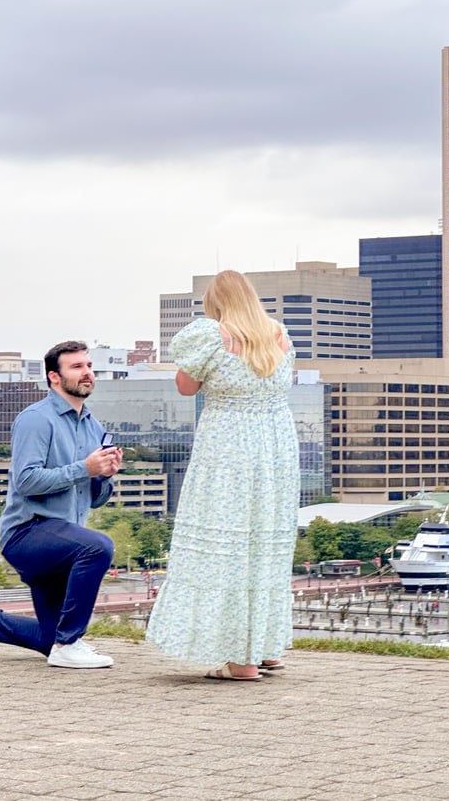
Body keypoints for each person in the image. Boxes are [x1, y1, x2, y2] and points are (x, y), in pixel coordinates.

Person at [146, 270, 300, 681]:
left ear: (216, 301)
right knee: (264, 545)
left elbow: (186, 387)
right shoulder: (279, 335)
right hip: (275, 448)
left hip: (229, 445)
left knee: (225, 548)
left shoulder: (212, 335)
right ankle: (264, 647)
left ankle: (240, 661)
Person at [0, 340, 123, 668]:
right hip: (28, 533)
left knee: (47, 638)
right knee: (99, 547)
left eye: (89, 366)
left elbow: (96, 499)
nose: (87, 373)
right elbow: (27, 482)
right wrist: (84, 468)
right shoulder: (36, 419)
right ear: (54, 377)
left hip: (66, 542)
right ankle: (69, 643)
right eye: (77, 367)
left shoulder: (93, 426)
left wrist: (103, 476)